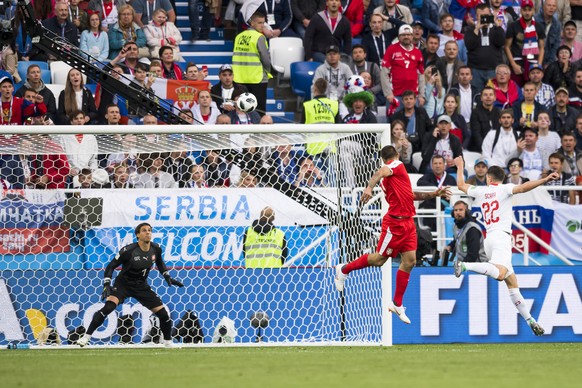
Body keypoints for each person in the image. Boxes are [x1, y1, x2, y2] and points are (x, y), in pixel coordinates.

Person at [334, 145, 451, 324]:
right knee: (380, 259)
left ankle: (397, 303)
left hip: (408, 223)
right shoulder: (396, 165)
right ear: (395, 156)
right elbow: (381, 172)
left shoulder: (396, 177)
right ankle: (343, 269)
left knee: (410, 260)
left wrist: (434, 194)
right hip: (394, 225)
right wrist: (368, 188)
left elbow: (411, 195)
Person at [453, 156, 558, 337]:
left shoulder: (481, 191)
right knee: (500, 274)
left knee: (512, 283)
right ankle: (464, 265)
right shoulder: (505, 188)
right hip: (501, 237)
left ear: (489, 178)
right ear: (501, 179)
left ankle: (530, 320)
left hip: (490, 239)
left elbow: (461, 185)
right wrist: (545, 179)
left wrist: (460, 165)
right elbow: (523, 187)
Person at [77, 222, 183, 347]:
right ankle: (86, 337)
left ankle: (168, 342)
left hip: (141, 286)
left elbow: (160, 263)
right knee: (108, 308)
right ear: (138, 235)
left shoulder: (156, 249)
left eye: (149, 230)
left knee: (163, 314)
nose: (148, 232)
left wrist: (167, 276)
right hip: (123, 285)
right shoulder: (128, 251)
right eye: (144, 230)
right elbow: (111, 267)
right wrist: (106, 284)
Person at [232, 11, 272, 115]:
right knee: (259, 110)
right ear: (252, 23)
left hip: (240, 78)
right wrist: (268, 71)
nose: (262, 25)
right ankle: (258, 131)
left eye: (263, 23)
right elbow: (266, 59)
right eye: (259, 23)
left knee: (242, 109)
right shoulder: (259, 37)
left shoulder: (239, 37)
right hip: (257, 78)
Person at [380, 25, 426, 108]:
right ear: (398, 37)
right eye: (403, 35)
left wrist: (421, 95)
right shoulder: (391, 49)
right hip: (395, 95)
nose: (406, 37)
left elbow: (421, 75)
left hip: (413, 97)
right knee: (394, 120)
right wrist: (388, 93)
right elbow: (384, 73)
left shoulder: (417, 52)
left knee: (412, 120)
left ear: (412, 36)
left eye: (408, 35)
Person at [463, 3, 505, 92]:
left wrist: (497, 24)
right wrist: (477, 29)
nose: (484, 18)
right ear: (476, 17)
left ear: (491, 15)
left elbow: (501, 42)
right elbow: (469, 45)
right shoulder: (471, 29)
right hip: (475, 70)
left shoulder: (495, 28)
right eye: (481, 16)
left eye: (486, 15)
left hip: (493, 69)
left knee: (494, 96)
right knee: (477, 96)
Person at [504, 0, 546, 86]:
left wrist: (539, 65)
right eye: (525, 10)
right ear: (521, 10)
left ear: (533, 10)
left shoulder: (538, 27)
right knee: (516, 90)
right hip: (517, 62)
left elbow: (541, 48)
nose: (527, 12)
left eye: (529, 10)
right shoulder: (513, 26)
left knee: (532, 91)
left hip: (533, 62)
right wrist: (513, 64)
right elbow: (507, 47)